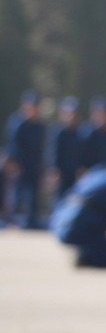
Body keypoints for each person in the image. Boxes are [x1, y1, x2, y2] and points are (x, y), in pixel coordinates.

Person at [3, 90, 46, 229]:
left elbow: (40, 149)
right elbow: (12, 146)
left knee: (34, 194)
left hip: (33, 165)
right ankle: (13, 220)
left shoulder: (38, 126)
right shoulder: (17, 123)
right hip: (19, 165)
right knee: (17, 193)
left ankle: (31, 221)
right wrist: (13, 164)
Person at [46, 96, 83, 202]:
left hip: (74, 173)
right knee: (58, 200)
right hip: (60, 173)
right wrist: (54, 171)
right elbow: (53, 152)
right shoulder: (58, 132)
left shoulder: (78, 133)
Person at [75, 97, 106, 177]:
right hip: (88, 175)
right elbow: (77, 158)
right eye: (100, 113)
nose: (103, 117)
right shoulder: (84, 133)